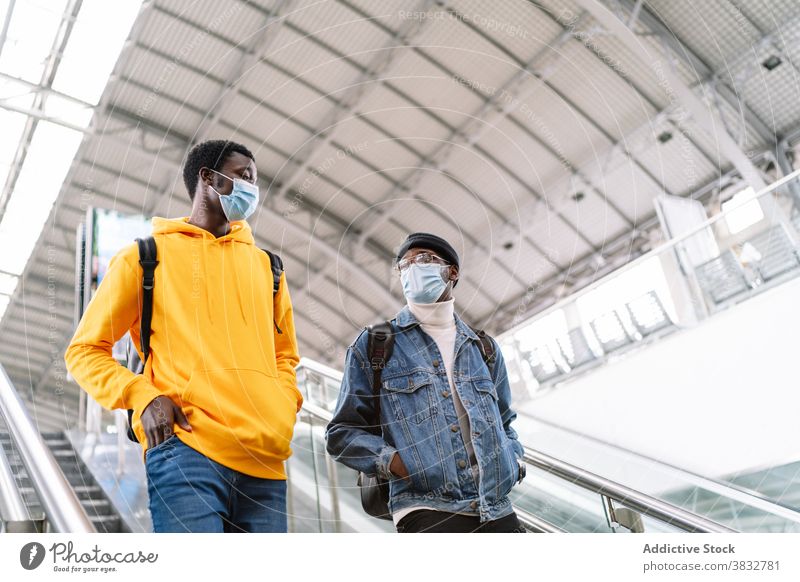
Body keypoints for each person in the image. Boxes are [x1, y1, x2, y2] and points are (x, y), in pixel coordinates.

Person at [65, 140, 302, 532]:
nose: (252, 189)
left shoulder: (268, 268)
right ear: (207, 178)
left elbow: (285, 357)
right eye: (243, 177)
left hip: (265, 463)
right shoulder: (144, 258)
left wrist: (281, 408)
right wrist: (143, 396)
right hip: (186, 452)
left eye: (255, 181)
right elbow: (85, 351)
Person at [325, 232, 527, 532]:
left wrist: (514, 461)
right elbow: (340, 433)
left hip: (496, 506)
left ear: (452, 272)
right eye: (404, 266)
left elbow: (505, 421)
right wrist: (397, 462)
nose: (413, 269)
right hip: (427, 508)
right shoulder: (376, 344)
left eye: (424, 260)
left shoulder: (482, 348)